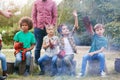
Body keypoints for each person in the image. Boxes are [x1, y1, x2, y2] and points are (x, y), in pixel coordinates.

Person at [31, 0, 57, 64]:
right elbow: (33, 15)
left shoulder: (52, 3)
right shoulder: (36, 2)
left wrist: (52, 25)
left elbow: (55, 15)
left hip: (49, 28)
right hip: (38, 28)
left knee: (51, 45)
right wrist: (35, 25)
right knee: (38, 46)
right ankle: (37, 63)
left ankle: (50, 63)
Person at [57, 10, 79, 76]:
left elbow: (75, 27)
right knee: (58, 60)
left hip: (70, 54)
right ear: (61, 32)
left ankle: (72, 71)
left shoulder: (70, 35)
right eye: (64, 29)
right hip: (63, 53)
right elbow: (57, 46)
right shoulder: (60, 39)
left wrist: (75, 17)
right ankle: (59, 72)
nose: (66, 29)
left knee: (66, 59)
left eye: (67, 28)